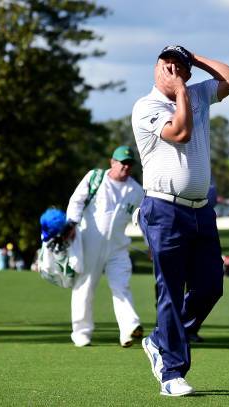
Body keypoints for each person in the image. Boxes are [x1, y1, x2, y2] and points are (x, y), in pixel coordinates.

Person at [132, 45, 229, 396]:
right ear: (156, 68)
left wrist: (196, 60)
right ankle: (171, 373)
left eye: (179, 66)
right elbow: (180, 133)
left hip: (200, 211)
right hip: (163, 210)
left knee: (211, 286)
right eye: (166, 64)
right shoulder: (146, 107)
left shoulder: (197, 93)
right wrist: (181, 89)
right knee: (170, 289)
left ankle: (161, 339)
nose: (172, 70)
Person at [66, 146, 145, 348]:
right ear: (112, 162)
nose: (126, 167)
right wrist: (71, 224)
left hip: (118, 246)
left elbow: (144, 220)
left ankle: (129, 329)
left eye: (129, 164)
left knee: (122, 285)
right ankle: (81, 333)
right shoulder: (95, 178)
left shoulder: (136, 190)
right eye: (122, 162)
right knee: (84, 287)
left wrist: (151, 245)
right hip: (89, 241)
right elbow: (76, 201)